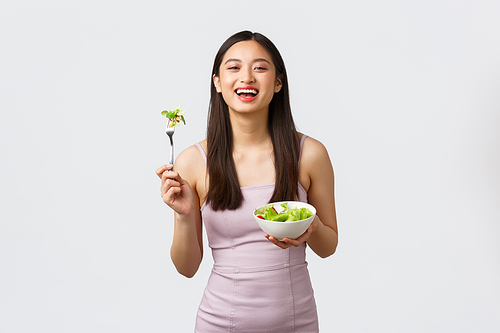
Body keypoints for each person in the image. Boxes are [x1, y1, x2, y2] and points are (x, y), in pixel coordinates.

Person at [156, 30, 338, 333]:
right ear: (217, 82)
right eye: (234, 67)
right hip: (219, 324)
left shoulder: (310, 154)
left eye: (260, 68)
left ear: (278, 82)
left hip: (297, 323)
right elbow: (186, 268)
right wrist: (184, 214)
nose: (247, 77)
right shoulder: (192, 161)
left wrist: (312, 227)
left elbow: (329, 246)